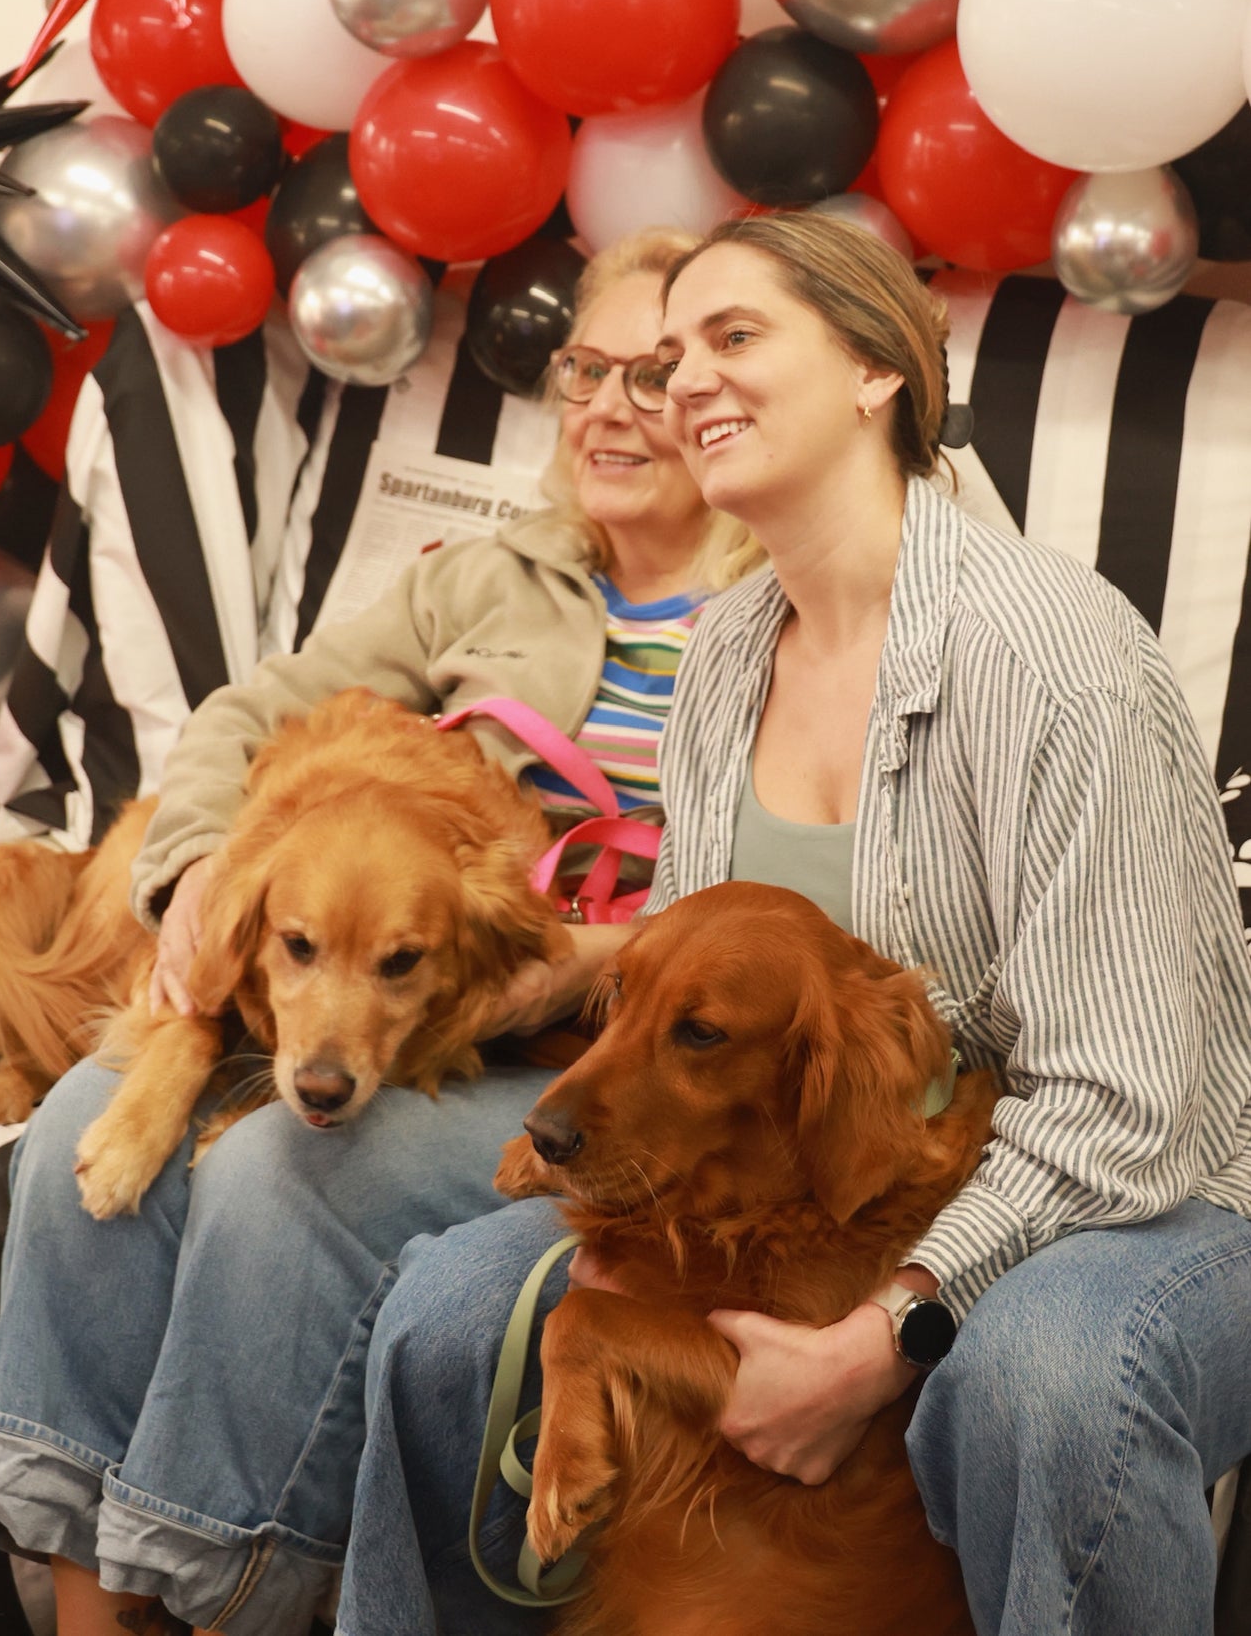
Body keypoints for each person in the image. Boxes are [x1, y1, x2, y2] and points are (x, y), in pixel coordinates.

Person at [339, 211, 1251, 1636]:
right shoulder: (727, 650)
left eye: (733, 337)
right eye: (659, 358)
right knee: (450, 1312)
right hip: (854, 1171)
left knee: (1046, 1372)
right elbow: (700, 1014)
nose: (677, 379)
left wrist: (889, 1330)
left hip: (1164, 1194)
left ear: (880, 371)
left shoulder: (1058, 658)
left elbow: (1129, 1109)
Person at [0, 226, 758, 1636]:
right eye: (586, 368)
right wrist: (199, 872)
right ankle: (83, 1608)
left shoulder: (784, 606)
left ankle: (223, 1589)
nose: (612, 405)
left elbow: (808, 905)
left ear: (729, 400)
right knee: (88, 1111)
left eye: (656, 372)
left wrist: (599, 959)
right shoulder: (488, 577)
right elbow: (251, 716)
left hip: (582, 1034)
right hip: (413, 981)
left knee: (274, 1172)